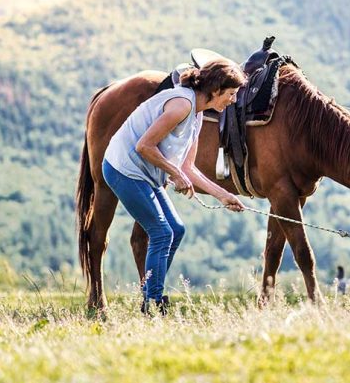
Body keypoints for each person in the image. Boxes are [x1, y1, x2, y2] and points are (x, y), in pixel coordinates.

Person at [102, 58, 247, 314]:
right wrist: (175, 174)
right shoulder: (181, 105)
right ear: (215, 91)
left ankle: (149, 292)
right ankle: (153, 303)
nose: (233, 100)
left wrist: (223, 196)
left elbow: (189, 167)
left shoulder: (198, 114)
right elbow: (144, 146)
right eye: (231, 94)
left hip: (145, 173)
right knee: (162, 232)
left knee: (176, 229)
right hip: (124, 169)